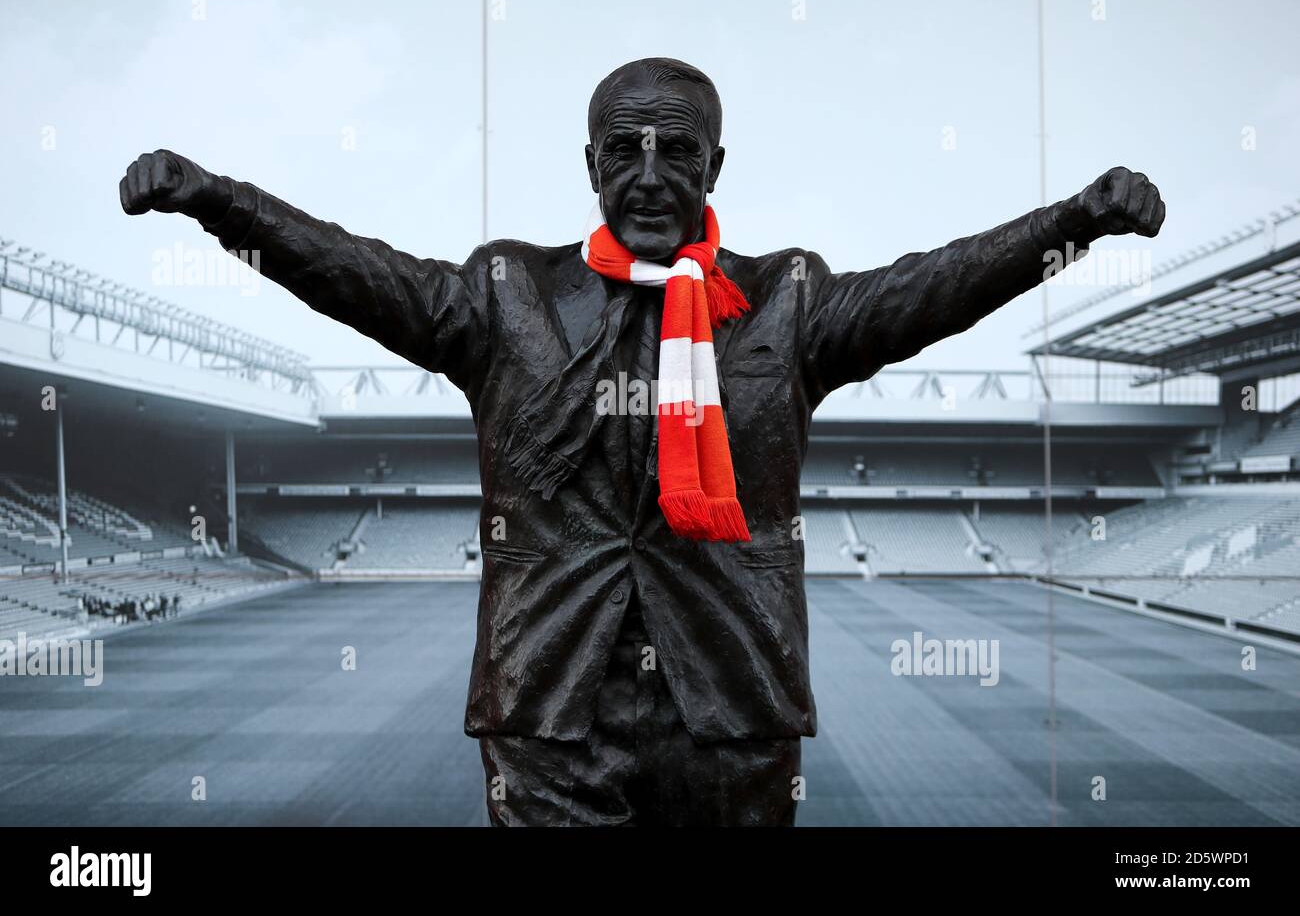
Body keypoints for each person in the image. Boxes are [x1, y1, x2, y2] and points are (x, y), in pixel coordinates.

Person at [120, 57, 1164, 826]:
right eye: (625, 149)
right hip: (549, 717)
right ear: (589, 163)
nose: (652, 172)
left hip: (730, 714)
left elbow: (934, 286)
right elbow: (347, 268)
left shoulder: (784, 300)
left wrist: (1070, 222)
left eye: (678, 149)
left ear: (717, 161)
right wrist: (215, 200)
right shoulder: (504, 293)